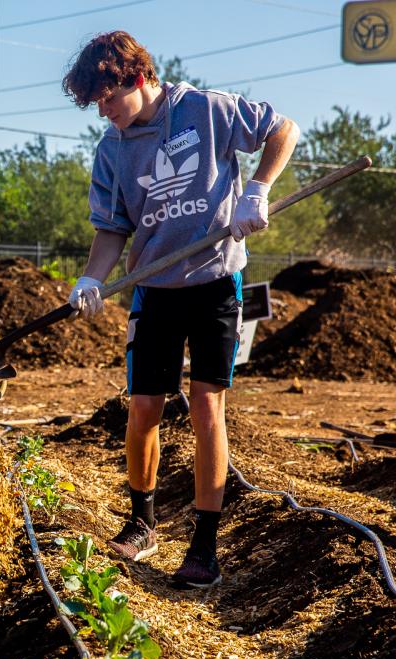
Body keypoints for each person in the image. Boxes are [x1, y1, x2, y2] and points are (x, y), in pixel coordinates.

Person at [62, 31, 298, 588]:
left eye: (109, 98)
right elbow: (112, 229)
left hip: (216, 283)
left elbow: (282, 129)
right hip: (155, 291)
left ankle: (204, 546)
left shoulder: (204, 109)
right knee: (143, 406)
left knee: (204, 408)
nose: (105, 112)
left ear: (137, 78)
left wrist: (256, 190)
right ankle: (141, 523)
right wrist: (93, 276)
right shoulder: (111, 149)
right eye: (96, 104)